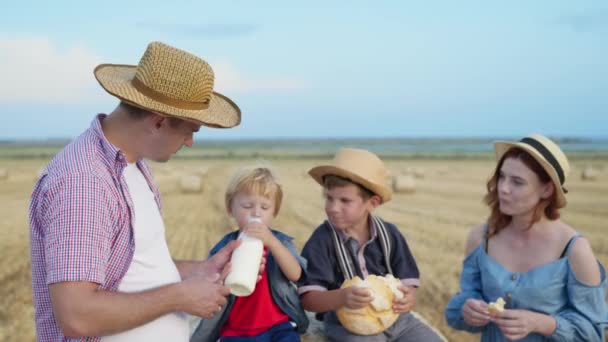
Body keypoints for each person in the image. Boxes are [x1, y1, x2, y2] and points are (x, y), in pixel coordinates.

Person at [29, 41, 244, 341]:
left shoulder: (132, 165)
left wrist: (200, 270)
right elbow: (78, 315)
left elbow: (130, 270)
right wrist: (180, 296)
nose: (190, 142)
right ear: (158, 122)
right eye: (190, 130)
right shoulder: (84, 183)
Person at [445, 134, 608, 341]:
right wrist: (467, 309)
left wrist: (542, 323)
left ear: (547, 189)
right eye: (502, 177)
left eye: (517, 182)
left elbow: (593, 334)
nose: (503, 188)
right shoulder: (480, 238)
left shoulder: (574, 249)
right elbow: (460, 308)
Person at [297, 148, 444, 341]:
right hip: (348, 325)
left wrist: (410, 297)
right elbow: (309, 300)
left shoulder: (390, 234)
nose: (333, 208)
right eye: (329, 198)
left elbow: (409, 282)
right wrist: (342, 297)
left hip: (397, 319)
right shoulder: (321, 240)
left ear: (372, 203)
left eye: (345, 200)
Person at [191, 165, 309, 341]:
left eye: (265, 207)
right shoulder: (226, 247)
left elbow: (296, 274)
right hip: (236, 329)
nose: (256, 212)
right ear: (231, 209)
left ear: (274, 211)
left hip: (277, 325)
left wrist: (273, 243)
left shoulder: (280, 242)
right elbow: (211, 282)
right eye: (247, 206)